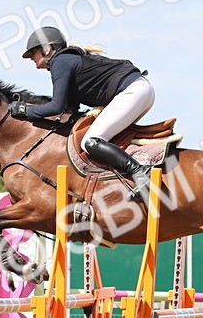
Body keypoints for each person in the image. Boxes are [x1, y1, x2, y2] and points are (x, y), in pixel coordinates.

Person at [14, 26, 155, 201]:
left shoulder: (60, 62)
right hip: (139, 91)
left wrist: (25, 110)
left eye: (33, 52)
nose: (31, 58)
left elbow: (56, 106)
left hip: (133, 91)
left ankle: (140, 174)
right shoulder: (65, 62)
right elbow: (68, 111)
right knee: (102, 138)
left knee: (91, 141)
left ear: (47, 49)